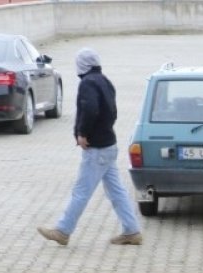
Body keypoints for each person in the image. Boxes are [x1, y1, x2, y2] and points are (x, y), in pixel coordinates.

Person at [38, 48, 142, 247]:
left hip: (97, 149)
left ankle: (63, 230)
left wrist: (83, 133)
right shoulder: (105, 81)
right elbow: (112, 111)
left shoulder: (88, 83)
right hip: (109, 145)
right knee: (117, 191)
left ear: (82, 65)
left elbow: (90, 108)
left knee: (81, 191)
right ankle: (132, 230)